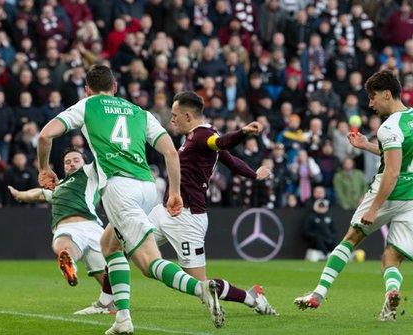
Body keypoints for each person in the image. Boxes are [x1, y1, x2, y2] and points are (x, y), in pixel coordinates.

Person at [37, 65, 224, 334]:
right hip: (147, 187)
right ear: (115, 88)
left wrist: (44, 167)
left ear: (88, 89)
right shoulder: (140, 112)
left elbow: (45, 134)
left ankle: (202, 288)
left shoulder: (87, 105)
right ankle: (122, 317)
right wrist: (173, 192)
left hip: (118, 187)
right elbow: (170, 152)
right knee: (109, 243)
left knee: (148, 263)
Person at [147, 91, 278, 316]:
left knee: (202, 286)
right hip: (165, 211)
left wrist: (243, 132)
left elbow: (221, 142)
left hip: (187, 218)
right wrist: (254, 174)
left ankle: (252, 298)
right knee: (128, 243)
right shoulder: (193, 138)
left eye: (175, 115)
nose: (172, 119)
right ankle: (109, 302)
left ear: (188, 116)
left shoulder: (203, 136)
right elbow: (232, 161)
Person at [295, 71, 413, 321]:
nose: (370, 104)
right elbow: (398, 157)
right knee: (392, 256)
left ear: (387, 94)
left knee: (349, 240)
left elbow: (391, 172)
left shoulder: (389, 127)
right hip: (411, 199)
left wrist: (373, 209)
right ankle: (392, 291)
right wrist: (366, 146)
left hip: (388, 192)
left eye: (373, 98)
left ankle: (318, 293)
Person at [8, 148, 115, 315]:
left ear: (84, 162)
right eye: (67, 162)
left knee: (108, 273)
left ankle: (108, 305)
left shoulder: (90, 173)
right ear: (63, 166)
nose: (71, 163)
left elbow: (102, 153)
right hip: (67, 227)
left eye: (75, 160)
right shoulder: (58, 187)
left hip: (92, 227)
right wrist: (20, 195)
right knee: (63, 245)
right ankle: (69, 262)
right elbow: (38, 194)